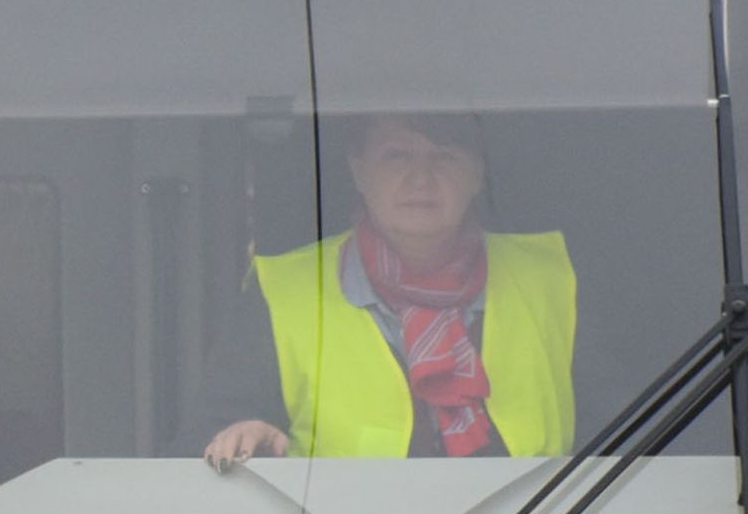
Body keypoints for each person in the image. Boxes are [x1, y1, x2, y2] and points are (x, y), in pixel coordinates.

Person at [205, 110, 579, 466]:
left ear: (478, 172)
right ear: (358, 170)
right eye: (397, 157)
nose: (421, 178)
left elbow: (619, 449)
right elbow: (205, 444)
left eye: (444, 157)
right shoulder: (281, 290)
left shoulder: (554, 278)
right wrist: (246, 435)